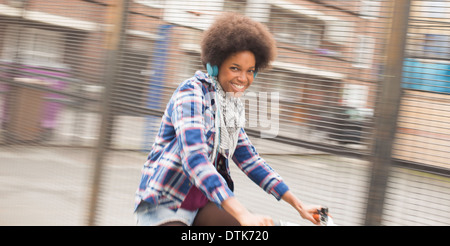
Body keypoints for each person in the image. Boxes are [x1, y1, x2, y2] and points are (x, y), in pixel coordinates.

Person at [135, 12, 322, 226]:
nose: (243, 78)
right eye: (235, 68)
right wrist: (242, 214)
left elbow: (250, 160)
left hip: (201, 207)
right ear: (215, 65)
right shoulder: (190, 93)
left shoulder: (229, 105)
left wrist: (298, 205)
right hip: (165, 207)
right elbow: (195, 158)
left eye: (250, 71)